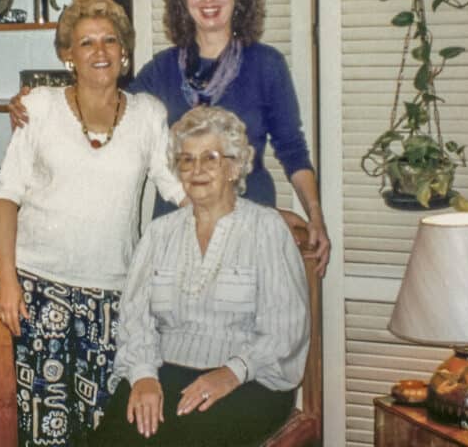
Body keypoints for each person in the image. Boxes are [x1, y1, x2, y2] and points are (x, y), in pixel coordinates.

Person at [9, 0, 330, 276]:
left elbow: (293, 150)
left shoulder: (267, 65)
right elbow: (104, 111)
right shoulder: (161, 69)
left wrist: (315, 214)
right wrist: (33, 106)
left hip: (247, 221)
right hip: (177, 225)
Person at [0, 0, 187, 447]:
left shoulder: (147, 115)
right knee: (45, 428)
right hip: (39, 290)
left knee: (104, 427)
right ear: (68, 55)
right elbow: (6, 197)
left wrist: (253, 218)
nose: (100, 52)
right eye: (86, 43)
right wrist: (7, 280)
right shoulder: (38, 107)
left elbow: (180, 190)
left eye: (110, 41)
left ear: (124, 51)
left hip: (114, 294)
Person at [90, 105, 310, 446]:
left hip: (250, 381)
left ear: (234, 166)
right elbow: (136, 319)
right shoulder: (160, 233)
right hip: (166, 371)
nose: (197, 170)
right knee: (114, 439)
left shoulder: (266, 228)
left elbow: (285, 330)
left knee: (188, 439)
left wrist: (230, 373)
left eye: (210, 158)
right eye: (187, 160)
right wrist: (143, 376)